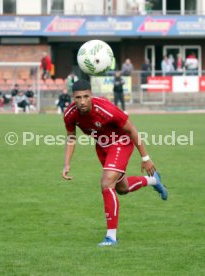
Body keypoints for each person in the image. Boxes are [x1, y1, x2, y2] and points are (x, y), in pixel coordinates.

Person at [62, 79, 168, 247]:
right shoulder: (70, 114)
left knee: (106, 183)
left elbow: (132, 129)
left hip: (121, 142)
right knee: (122, 188)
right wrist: (66, 163)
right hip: (102, 147)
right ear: (72, 98)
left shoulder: (106, 109)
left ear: (91, 95)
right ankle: (154, 180)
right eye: (78, 98)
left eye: (86, 96)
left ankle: (111, 237)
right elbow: (71, 137)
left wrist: (145, 158)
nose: (82, 101)